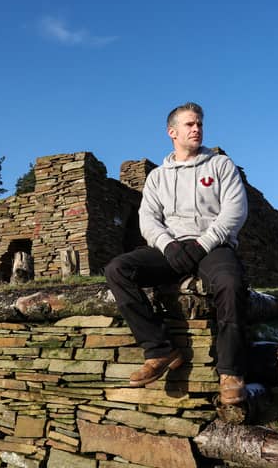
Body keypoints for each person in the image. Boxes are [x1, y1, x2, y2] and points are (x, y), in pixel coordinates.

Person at [105, 102, 249, 406]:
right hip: (171, 248)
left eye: (199, 124)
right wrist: (168, 245)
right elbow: (148, 218)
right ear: (172, 132)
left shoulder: (221, 165)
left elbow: (235, 211)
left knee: (230, 284)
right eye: (189, 124)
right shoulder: (157, 177)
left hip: (213, 245)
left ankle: (230, 372)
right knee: (118, 269)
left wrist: (203, 244)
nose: (197, 129)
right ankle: (159, 350)